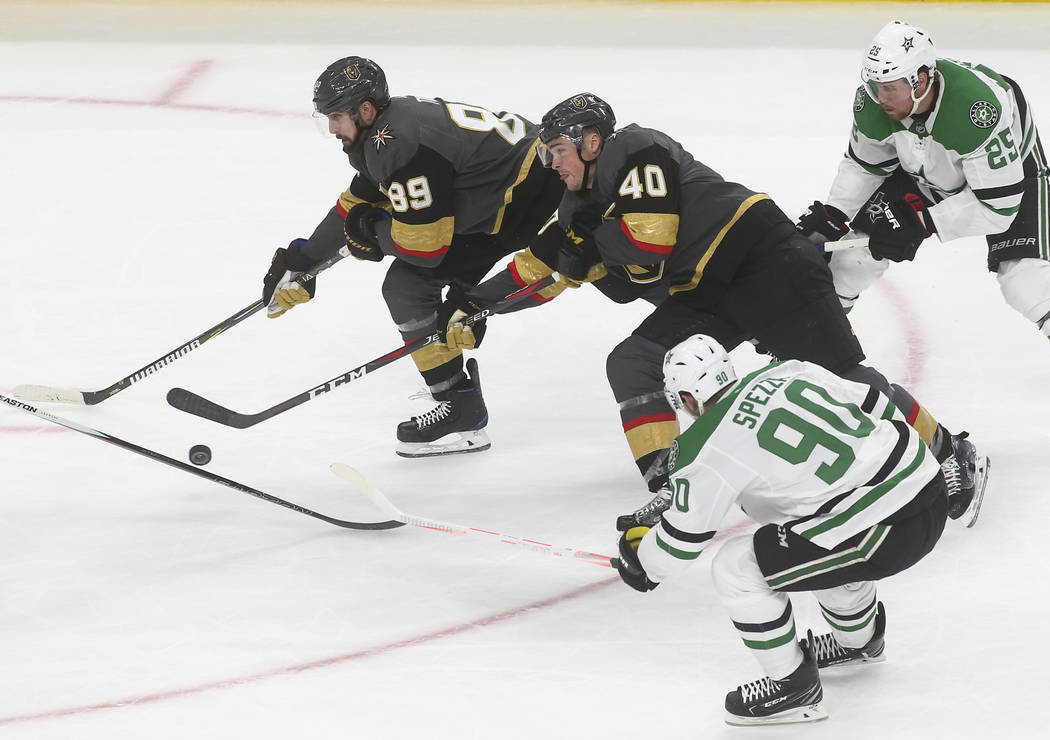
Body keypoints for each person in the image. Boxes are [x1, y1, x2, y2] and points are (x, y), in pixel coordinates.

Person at [451, 92, 985, 527]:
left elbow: (650, 246)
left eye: (559, 149)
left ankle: (950, 449)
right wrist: (479, 304)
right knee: (631, 363)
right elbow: (541, 268)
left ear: (592, 142)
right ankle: (675, 486)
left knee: (840, 380)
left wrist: (588, 258)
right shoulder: (577, 204)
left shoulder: (635, 149)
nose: (552, 161)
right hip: (706, 290)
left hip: (763, 258)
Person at [612, 334, 949, 726]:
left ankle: (794, 689)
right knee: (812, 534)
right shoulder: (790, 370)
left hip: (884, 533)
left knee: (737, 567)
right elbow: (876, 401)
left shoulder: (704, 448)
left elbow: (677, 549)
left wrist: (642, 559)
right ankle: (859, 642)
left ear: (686, 399)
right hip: (928, 484)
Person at [260, 56, 564, 457]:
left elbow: (425, 246)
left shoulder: (398, 142)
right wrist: (305, 258)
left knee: (409, 284)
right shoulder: (386, 130)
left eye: (336, 116)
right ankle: (461, 409)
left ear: (364, 109)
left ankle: (461, 406)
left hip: (537, 200)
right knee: (407, 285)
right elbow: (360, 200)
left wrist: (371, 233)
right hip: (503, 199)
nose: (332, 128)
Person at [798, 20, 1049, 335]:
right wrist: (833, 214)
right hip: (923, 166)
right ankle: (812, 346)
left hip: (1007, 174)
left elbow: (998, 208)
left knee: (1026, 282)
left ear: (920, 80)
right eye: (876, 85)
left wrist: (923, 221)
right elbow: (866, 165)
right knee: (850, 260)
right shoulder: (875, 104)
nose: (881, 97)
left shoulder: (976, 111)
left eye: (890, 87)